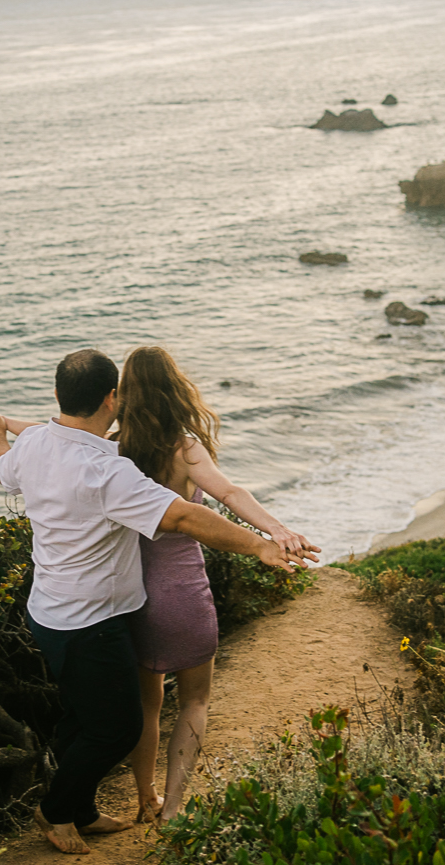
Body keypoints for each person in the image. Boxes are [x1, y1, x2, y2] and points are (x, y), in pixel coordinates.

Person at [0, 348, 318, 856]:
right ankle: (58, 812)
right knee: (120, 726)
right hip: (95, 617)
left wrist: (1, 432)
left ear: (58, 397)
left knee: (84, 716)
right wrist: (263, 542)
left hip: (50, 611)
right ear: (111, 398)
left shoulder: (48, 445)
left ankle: (97, 807)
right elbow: (184, 517)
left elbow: (2, 466)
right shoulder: (110, 468)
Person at [112, 345, 320, 822]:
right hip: (183, 595)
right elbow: (229, 492)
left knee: (148, 704)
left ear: (125, 392)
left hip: (131, 595)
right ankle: (173, 808)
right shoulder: (183, 448)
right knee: (195, 701)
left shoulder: (113, 447)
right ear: (174, 388)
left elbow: (52, 437)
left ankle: (145, 797)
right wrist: (276, 530)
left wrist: (3, 429)